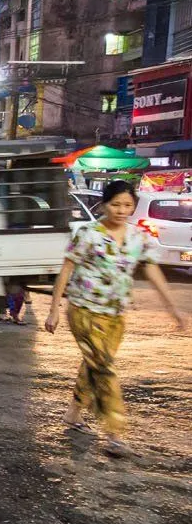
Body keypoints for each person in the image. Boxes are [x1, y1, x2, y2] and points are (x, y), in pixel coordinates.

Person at [45, 179, 185, 455]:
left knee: (94, 364)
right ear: (104, 204)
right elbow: (66, 269)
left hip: (116, 315)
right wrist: (53, 309)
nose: (121, 210)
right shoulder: (88, 234)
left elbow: (152, 271)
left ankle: (73, 414)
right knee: (105, 369)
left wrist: (172, 307)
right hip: (84, 311)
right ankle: (115, 433)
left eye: (127, 205)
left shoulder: (138, 237)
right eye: (115, 204)